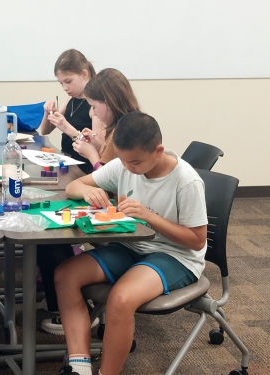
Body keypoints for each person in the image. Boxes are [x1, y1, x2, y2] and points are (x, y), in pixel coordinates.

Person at [55, 112, 208, 375]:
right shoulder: (125, 164)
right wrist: (87, 190)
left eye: (135, 162)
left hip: (175, 255)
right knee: (65, 275)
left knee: (121, 299)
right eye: (124, 161)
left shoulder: (186, 180)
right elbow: (73, 188)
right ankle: (79, 366)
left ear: (158, 151)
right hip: (132, 245)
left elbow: (196, 241)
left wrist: (150, 217)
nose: (128, 168)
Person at [39, 68, 141, 336]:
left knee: (48, 237)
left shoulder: (127, 132)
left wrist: (91, 152)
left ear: (109, 102)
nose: (93, 114)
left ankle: (71, 307)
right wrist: (96, 143)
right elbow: (107, 173)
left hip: (125, 217)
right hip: (115, 207)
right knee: (50, 225)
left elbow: (114, 182)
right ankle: (69, 301)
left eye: (95, 107)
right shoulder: (120, 126)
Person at [38, 49, 100, 174]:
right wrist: (48, 113)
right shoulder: (71, 98)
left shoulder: (96, 105)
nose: (65, 88)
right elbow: (45, 131)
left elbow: (98, 148)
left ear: (84, 74)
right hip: (68, 164)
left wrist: (67, 128)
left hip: (85, 170)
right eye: (61, 83)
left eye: (68, 81)